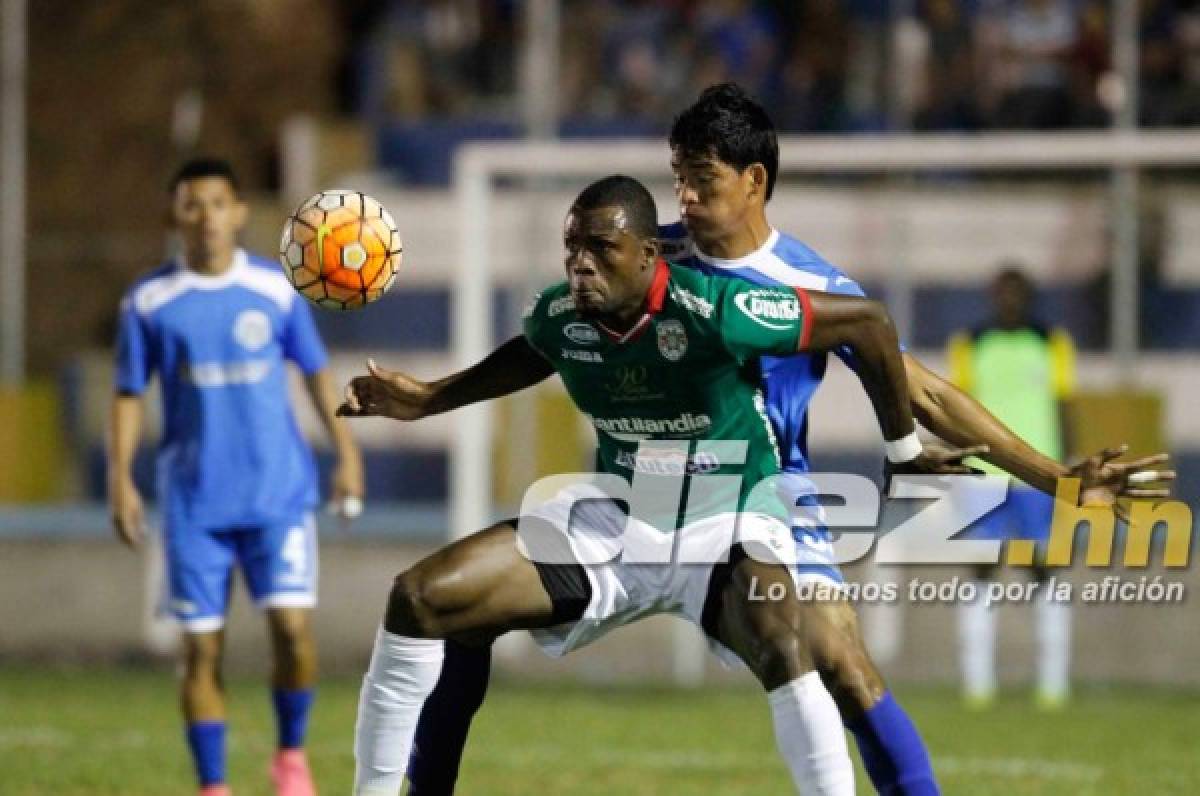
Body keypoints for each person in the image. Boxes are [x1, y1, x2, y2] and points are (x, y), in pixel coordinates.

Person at [402, 83, 1172, 795]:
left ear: (755, 182)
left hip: (768, 501)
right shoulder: (645, 254)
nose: (687, 196)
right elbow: (551, 339)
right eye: (678, 178)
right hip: (646, 501)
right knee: (466, 610)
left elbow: (926, 390)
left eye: (702, 179)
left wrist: (1056, 481)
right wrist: (433, 397)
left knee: (842, 662)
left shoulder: (810, 283)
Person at [341, 174, 977, 795]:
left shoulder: (716, 311)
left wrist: (903, 449)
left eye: (600, 248)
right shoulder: (559, 315)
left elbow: (867, 322)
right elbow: (539, 349)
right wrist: (427, 399)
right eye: (572, 248)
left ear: (648, 255)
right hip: (620, 522)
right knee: (423, 597)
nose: (581, 264)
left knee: (788, 639)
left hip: (728, 523)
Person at [108, 157, 365, 796]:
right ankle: (213, 785)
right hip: (194, 504)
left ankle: (290, 756)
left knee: (293, 632)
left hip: (277, 495)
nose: (207, 217)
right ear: (175, 215)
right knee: (200, 650)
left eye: (218, 204)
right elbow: (128, 393)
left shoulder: (276, 290)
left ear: (240, 212)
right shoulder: (149, 302)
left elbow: (314, 372)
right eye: (192, 205)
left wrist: (347, 452)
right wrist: (120, 478)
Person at [948, 265, 1075, 709]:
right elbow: (954, 409)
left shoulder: (1051, 343)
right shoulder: (970, 344)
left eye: (1017, 293)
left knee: (1044, 571)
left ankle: (1053, 685)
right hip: (985, 474)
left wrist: (1068, 472)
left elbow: (1064, 406)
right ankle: (977, 685)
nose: (1009, 301)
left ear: (1029, 297)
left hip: (1038, 475)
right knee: (983, 571)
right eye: (1002, 293)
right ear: (992, 296)